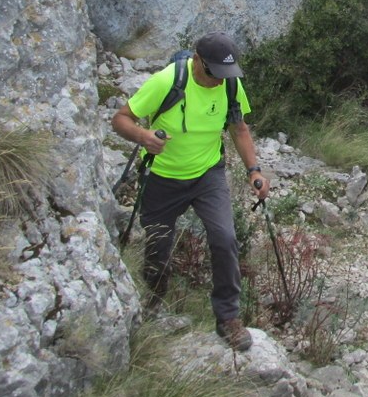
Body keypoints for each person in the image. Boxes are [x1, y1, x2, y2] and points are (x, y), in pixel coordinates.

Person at [111, 32, 269, 352]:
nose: (218, 82)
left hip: (207, 175)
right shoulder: (167, 81)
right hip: (161, 177)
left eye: (225, 75)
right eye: (213, 74)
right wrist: (143, 136)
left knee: (225, 238)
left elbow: (239, 128)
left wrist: (255, 171)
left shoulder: (229, 84)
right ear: (197, 61)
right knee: (158, 248)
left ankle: (228, 317)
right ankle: (154, 303)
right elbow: (121, 120)